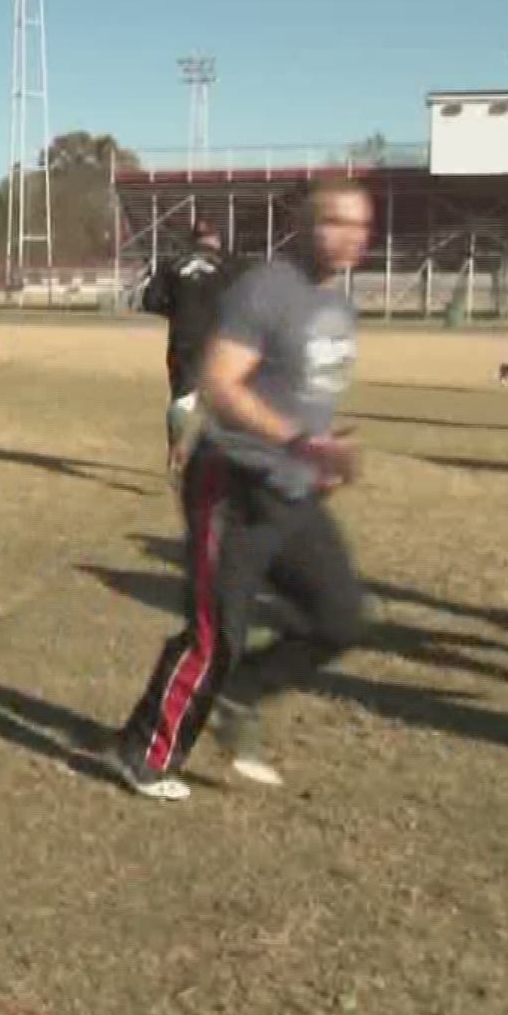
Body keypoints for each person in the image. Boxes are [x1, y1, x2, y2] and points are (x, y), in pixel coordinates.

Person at [112, 178, 372, 802]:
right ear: (306, 224)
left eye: (360, 225)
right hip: (230, 482)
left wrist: (321, 446)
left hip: (293, 487)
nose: (348, 235)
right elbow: (221, 385)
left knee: (339, 617)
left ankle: (241, 694)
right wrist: (299, 441)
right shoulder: (266, 288)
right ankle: (141, 756)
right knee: (214, 636)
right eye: (334, 220)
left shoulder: (337, 307)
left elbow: (300, 392)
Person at [142, 220, 237, 477]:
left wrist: (177, 311)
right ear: (216, 239)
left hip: (183, 337)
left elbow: (149, 301)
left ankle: (176, 448)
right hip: (221, 341)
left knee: (183, 397)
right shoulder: (229, 265)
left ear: (192, 238)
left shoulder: (171, 264)